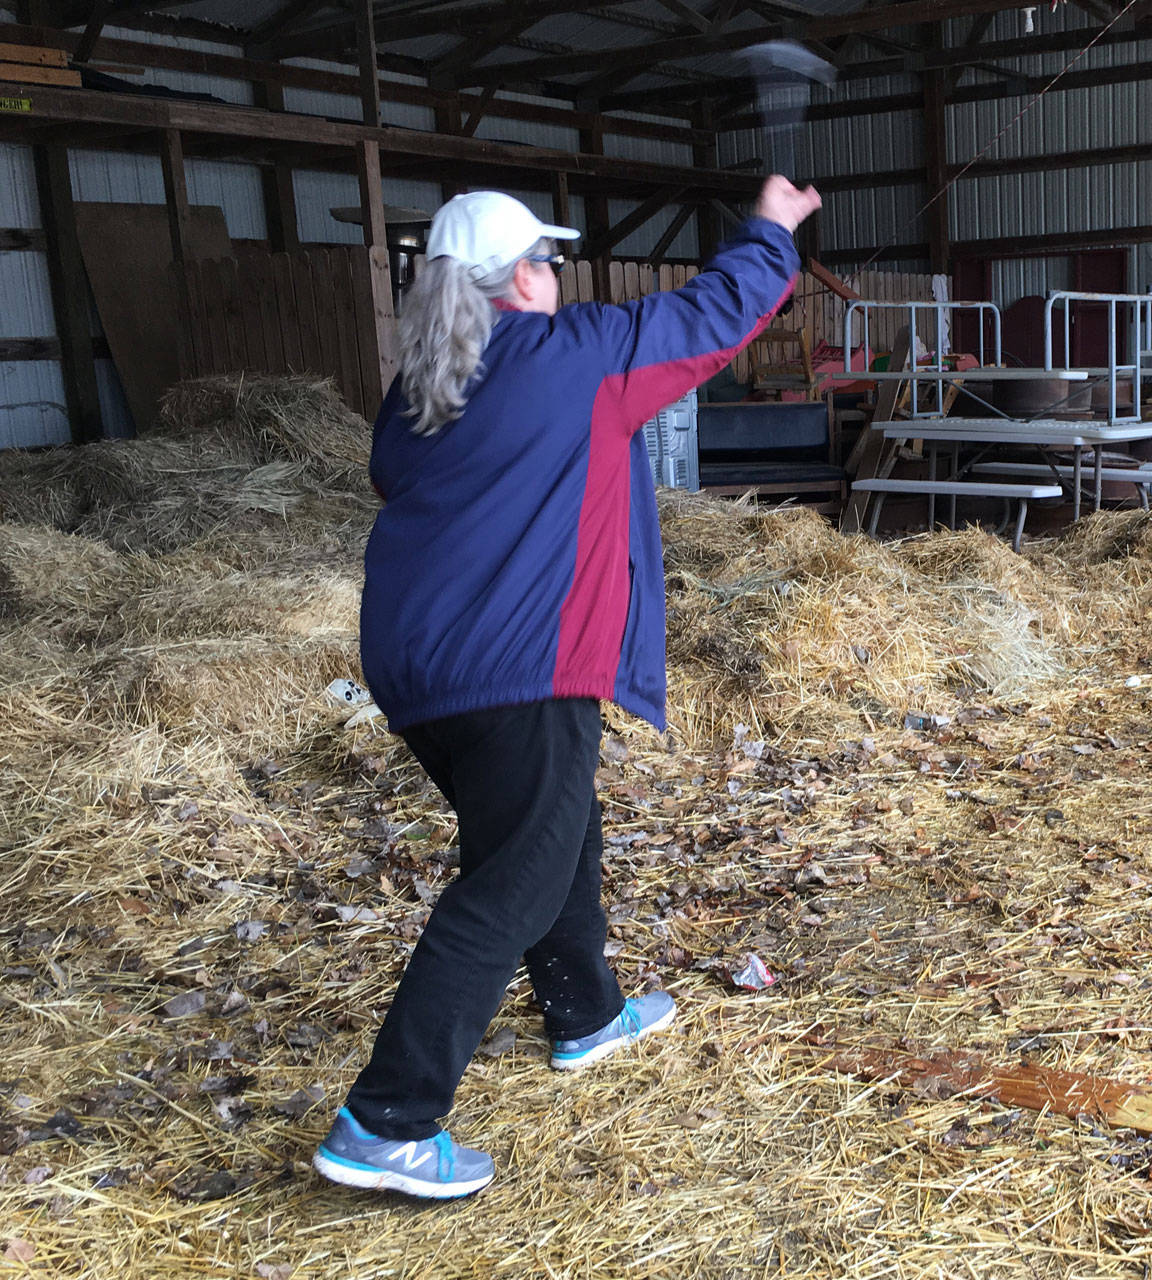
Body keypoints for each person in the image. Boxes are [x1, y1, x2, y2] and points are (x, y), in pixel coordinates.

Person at [313, 177, 821, 1199]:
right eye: (549, 262)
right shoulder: (571, 357)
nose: (558, 277)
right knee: (517, 875)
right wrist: (772, 231)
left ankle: (585, 1011)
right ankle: (387, 1117)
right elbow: (712, 318)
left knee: (552, 827)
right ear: (522, 281)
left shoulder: (417, 394)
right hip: (516, 661)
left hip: (418, 663)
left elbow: (398, 481)